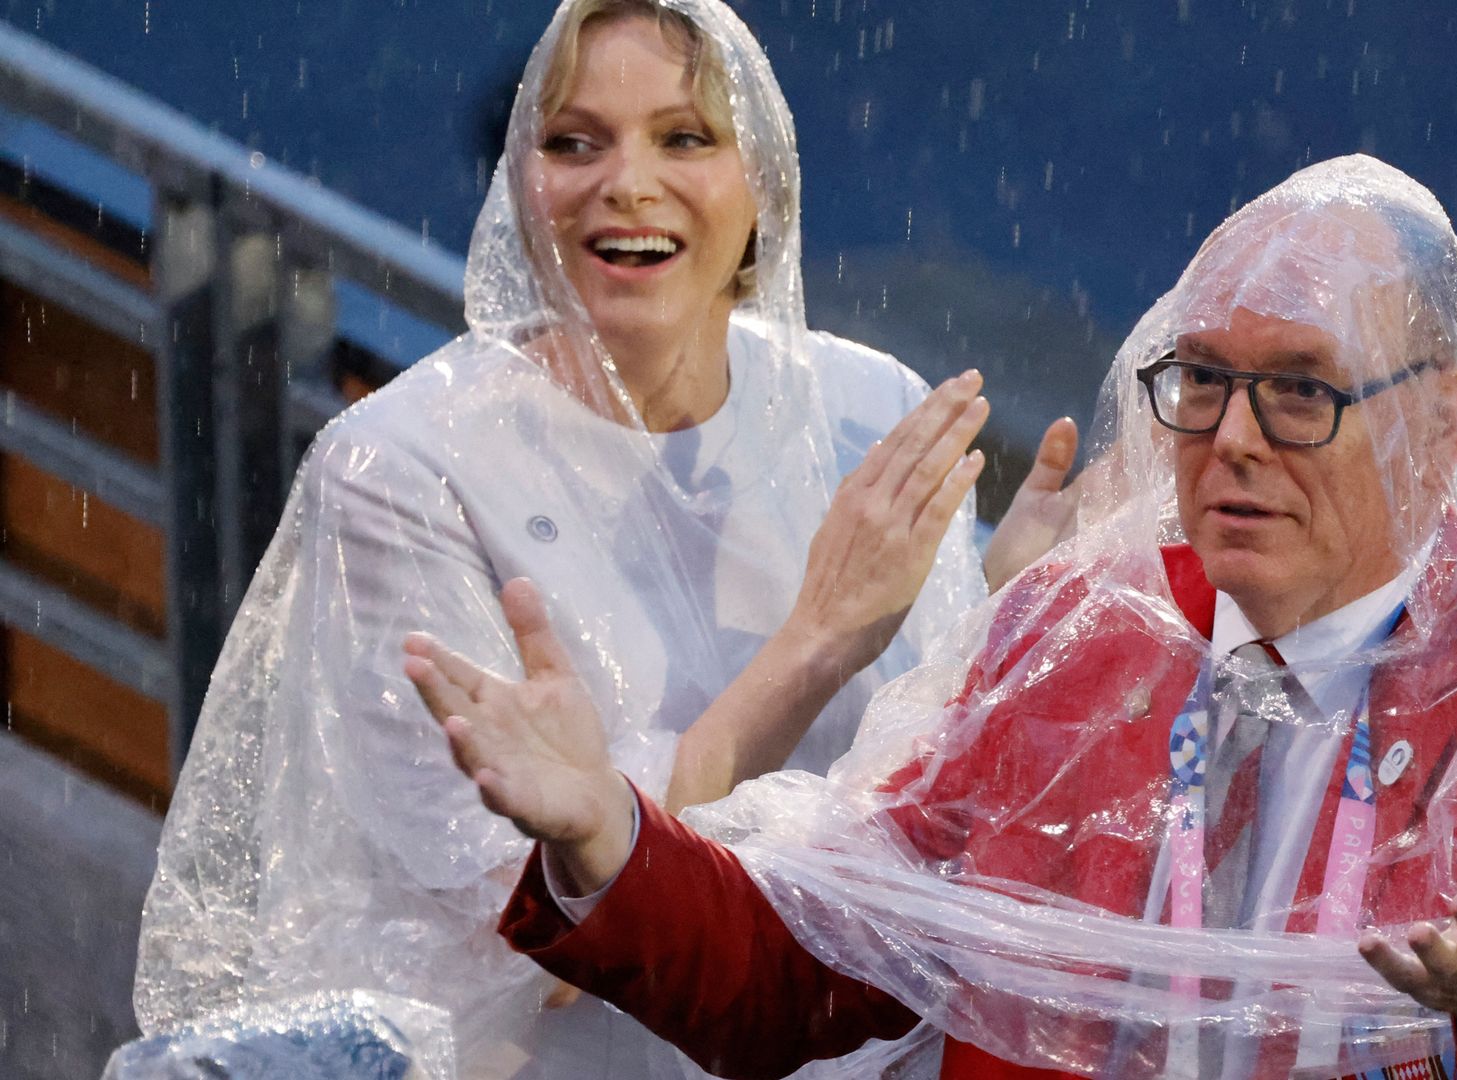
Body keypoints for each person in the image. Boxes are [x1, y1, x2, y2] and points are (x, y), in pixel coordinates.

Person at [408, 156, 1457, 1078]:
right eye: (1202, 380)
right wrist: (606, 833)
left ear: (1441, 420)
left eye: (1300, 388)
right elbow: (823, 965)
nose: (1232, 437)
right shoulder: (1080, 638)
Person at [132, 1, 1078, 1077]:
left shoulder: (869, 408)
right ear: (519, 192)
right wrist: (811, 646)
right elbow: (535, 944)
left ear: (762, 182)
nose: (626, 182)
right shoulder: (402, 469)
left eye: (685, 138)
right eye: (574, 142)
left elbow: (926, 826)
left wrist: (1013, 616)